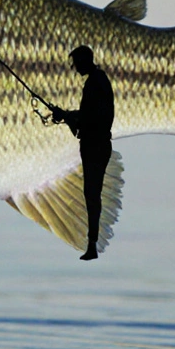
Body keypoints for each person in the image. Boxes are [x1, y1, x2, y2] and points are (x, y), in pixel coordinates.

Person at [50, 45, 114, 261]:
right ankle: (91, 243)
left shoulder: (95, 83)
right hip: (95, 144)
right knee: (91, 194)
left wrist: (66, 116)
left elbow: (89, 117)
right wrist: (67, 116)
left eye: (75, 63)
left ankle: (92, 245)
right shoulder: (98, 80)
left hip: (95, 146)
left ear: (84, 61)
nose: (74, 67)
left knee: (92, 195)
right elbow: (88, 117)